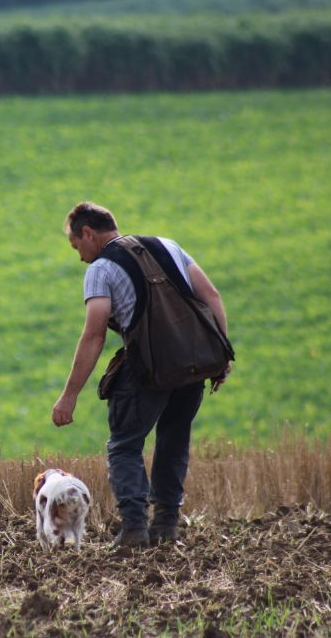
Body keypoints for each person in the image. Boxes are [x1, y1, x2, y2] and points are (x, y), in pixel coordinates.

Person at [52, 201, 231, 548]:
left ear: (88, 234)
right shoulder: (168, 246)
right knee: (174, 440)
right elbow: (211, 295)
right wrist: (221, 354)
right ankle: (165, 525)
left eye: (77, 247)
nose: (80, 258)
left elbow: (94, 334)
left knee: (124, 445)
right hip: (192, 365)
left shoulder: (101, 269)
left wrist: (69, 395)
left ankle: (134, 527)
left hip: (148, 369)